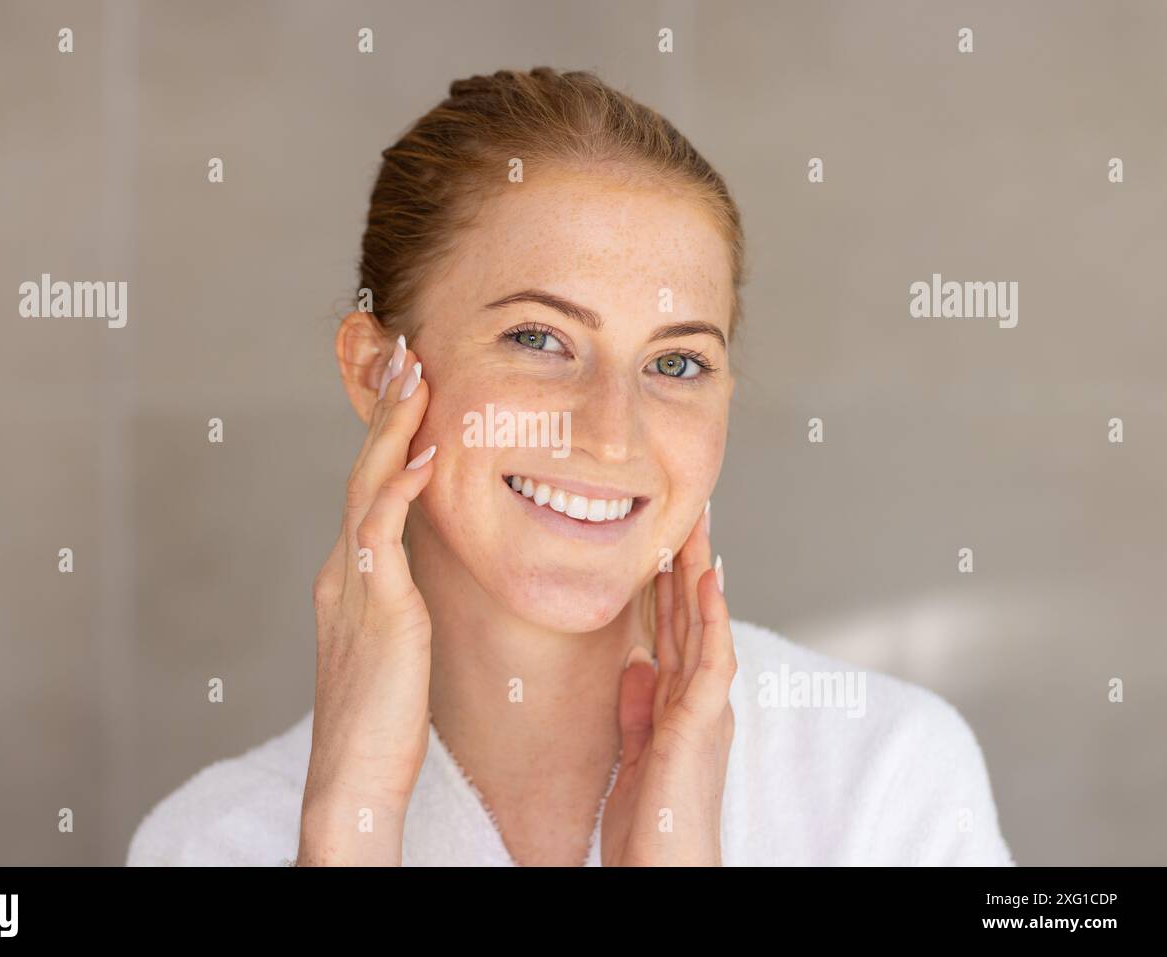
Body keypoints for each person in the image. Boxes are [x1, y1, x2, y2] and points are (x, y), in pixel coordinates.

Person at [127, 67, 1013, 867]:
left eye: (676, 363)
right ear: (376, 371)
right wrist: (349, 827)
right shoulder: (217, 840)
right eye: (539, 339)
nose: (613, 434)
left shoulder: (882, 777)